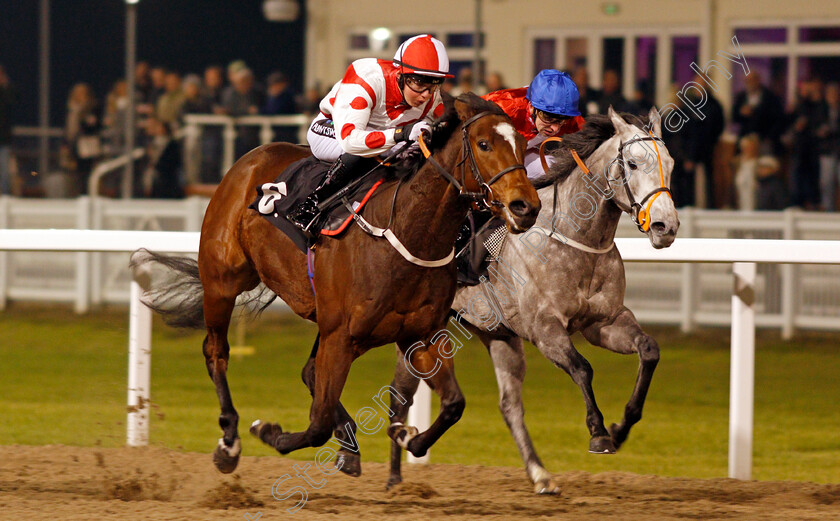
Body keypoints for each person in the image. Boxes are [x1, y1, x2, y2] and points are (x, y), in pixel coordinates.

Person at [287, 34, 452, 230]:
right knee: (363, 152)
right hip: (333, 130)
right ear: (400, 74)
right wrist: (402, 133)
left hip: (379, 134)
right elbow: (350, 140)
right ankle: (311, 206)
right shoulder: (365, 79)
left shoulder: (432, 97)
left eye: (434, 84)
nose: (426, 95)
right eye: (419, 83)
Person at [483, 69, 585, 180]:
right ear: (531, 107)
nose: (555, 128)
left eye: (561, 121)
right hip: (487, 156)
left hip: (518, 153)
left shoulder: (568, 116)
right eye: (548, 118)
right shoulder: (505, 109)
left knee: (551, 166)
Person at [0, 64, 16, 195]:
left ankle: (5, 196)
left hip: (3, 140)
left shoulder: (5, 92)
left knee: (5, 171)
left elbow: (14, 100)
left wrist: (5, 83)